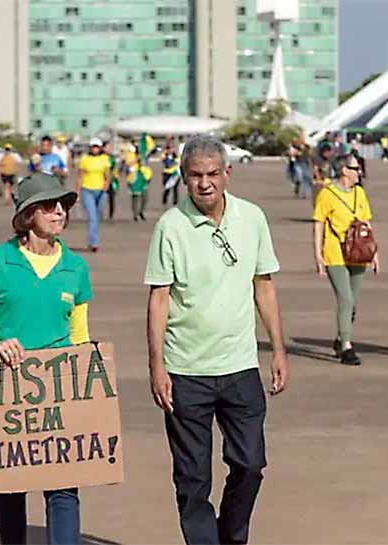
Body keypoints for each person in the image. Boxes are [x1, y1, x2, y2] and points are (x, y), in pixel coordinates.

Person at [144, 135, 289, 545]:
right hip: (185, 370)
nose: (204, 183)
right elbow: (159, 298)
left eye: (212, 174)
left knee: (250, 464)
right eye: (195, 175)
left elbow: (264, 285)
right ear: (183, 177)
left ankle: (232, 535)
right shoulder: (170, 226)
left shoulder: (252, 218)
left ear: (227, 173)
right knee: (192, 479)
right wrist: (156, 365)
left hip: (240, 367)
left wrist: (278, 349)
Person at [0, 173, 90, 545]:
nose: (59, 211)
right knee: (11, 486)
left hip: (59, 388)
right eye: (49, 206)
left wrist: (88, 393)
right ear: (28, 215)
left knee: (64, 488)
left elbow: (80, 336)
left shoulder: (76, 267)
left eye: (63, 205)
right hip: (8, 385)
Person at [313, 153, 379, 366]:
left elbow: (366, 223)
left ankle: (340, 338)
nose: (359, 172)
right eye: (355, 168)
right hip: (335, 253)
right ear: (344, 170)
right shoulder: (327, 194)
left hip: (358, 252)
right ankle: (347, 347)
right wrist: (318, 255)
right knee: (346, 299)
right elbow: (318, 224)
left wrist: (374, 252)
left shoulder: (360, 193)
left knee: (353, 303)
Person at [76, 137, 111, 252]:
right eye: (93, 147)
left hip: (101, 191)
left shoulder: (104, 158)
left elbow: (108, 174)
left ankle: (93, 240)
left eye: (97, 147)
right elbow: (80, 176)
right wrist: (77, 191)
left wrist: (107, 184)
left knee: (97, 216)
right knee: (92, 217)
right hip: (87, 190)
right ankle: (94, 243)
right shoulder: (85, 159)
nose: (95, 149)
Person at [128, 154, 152, 222]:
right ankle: (135, 215)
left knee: (145, 199)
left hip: (143, 185)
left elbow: (149, 177)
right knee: (135, 200)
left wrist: (146, 182)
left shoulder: (146, 168)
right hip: (135, 186)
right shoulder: (134, 167)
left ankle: (141, 211)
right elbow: (129, 173)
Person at [161, 139, 181, 206]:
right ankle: (164, 201)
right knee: (167, 188)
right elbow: (168, 164)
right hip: (167, 173)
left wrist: (173, 161)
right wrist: (173, 161)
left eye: (172, 148)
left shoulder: (176, 155)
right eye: (169, 148)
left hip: (174, 173)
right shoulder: (165, 155)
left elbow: (178, 162)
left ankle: (175, 203)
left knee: (175, 188)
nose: (171, 150)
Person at [103, 141, 119, 222]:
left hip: (111, 180)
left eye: (110, 147)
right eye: (107, 147)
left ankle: (111, 215)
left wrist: (116, 177)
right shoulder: (101, 157)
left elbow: (115, 168)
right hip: (101, 180)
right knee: (101, 198)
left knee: (112, 198)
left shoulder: (112, 157)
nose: (109, 149)